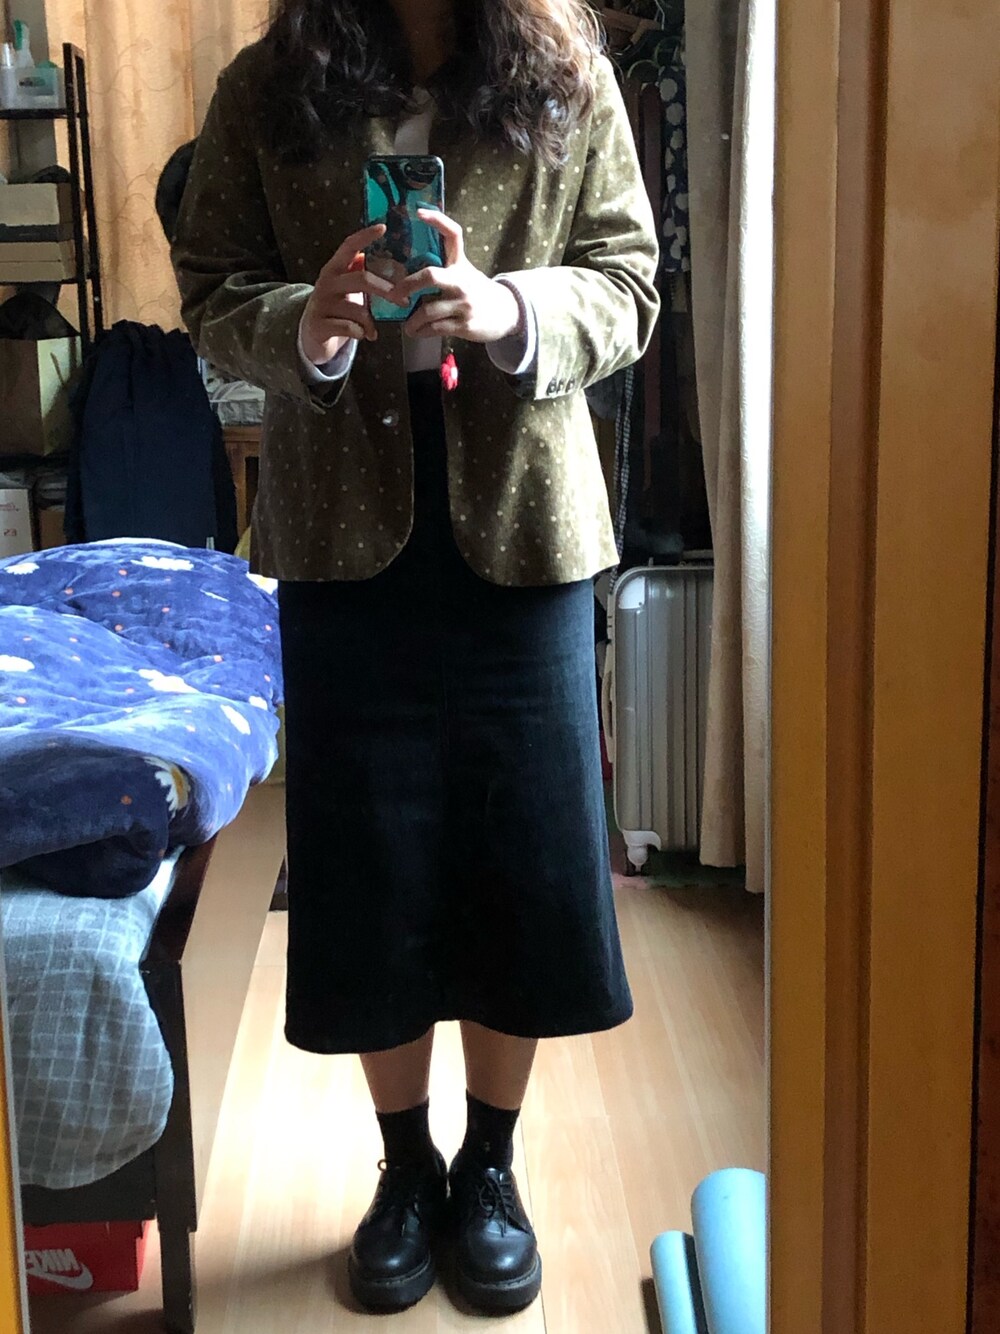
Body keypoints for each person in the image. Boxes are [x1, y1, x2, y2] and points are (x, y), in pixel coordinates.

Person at [172, 0, 659, 1315]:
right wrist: (312, 322)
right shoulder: (267, 88)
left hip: (527, 528)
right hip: (342, 536)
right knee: (369, 868)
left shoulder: (567, 77)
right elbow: (211, 289)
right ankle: (404, 1166)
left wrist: (508, 305)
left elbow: (627, 282)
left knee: (524, 862)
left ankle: (489, 1166)